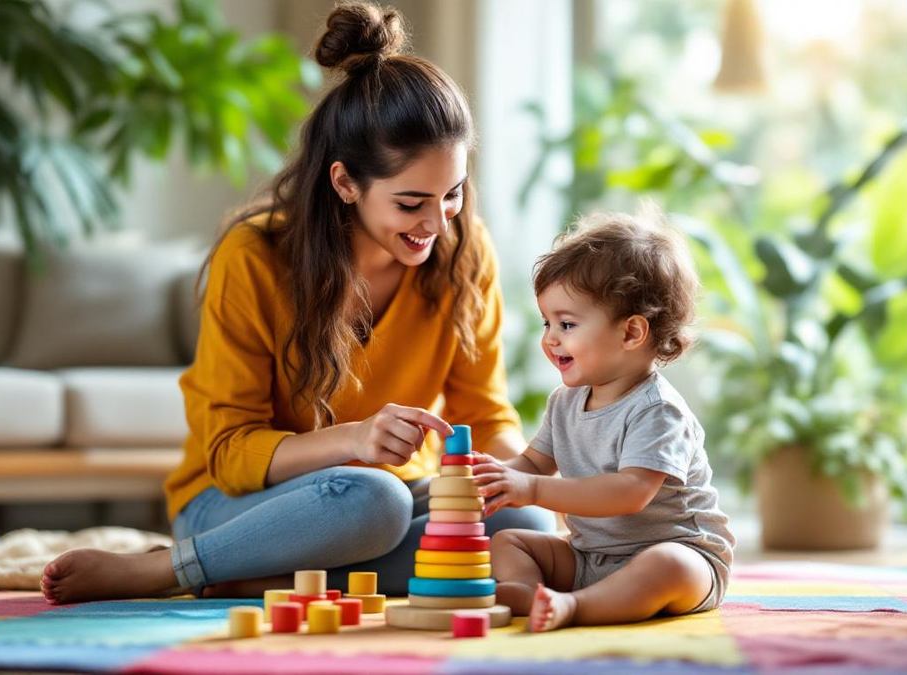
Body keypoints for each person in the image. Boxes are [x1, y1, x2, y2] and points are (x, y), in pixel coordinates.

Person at [40, 1, 555, 605]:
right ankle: (166, 569)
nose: (437, 224)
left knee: (526, 528)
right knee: (375, 498)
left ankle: (261, 580)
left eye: (453, 195)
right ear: (345, 183)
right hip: (235, 507)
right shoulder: (255, 256)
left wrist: (520, 476)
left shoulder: (463, 252)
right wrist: (354, 442)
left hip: (378, 500)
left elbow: (485, 414)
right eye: (411, 203)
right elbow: (230, 454)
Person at [471, 207, 735, 631]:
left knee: (666, 565)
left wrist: (533, 490)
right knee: (510, 541)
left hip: (681, 555)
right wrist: (496, 476)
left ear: (631, 333)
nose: (550, 337)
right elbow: (534, 464)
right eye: (547, 321)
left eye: (567, 323)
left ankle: (575, 608)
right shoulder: (566, 402)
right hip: (590, 558)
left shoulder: (657, 410)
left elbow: (629, 492)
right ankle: (528, 591)